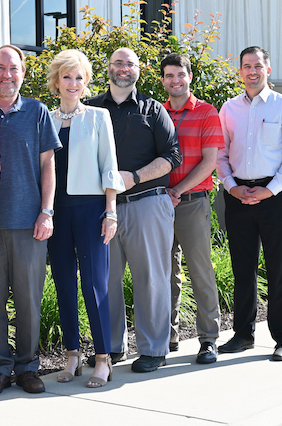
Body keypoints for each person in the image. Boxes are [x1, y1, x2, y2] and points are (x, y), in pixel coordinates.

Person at [86, 47, 182, 372]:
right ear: (108, 68)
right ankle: (111, 347)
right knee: (106, 279)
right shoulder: (91, 109)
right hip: (102, 210)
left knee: (152, 278)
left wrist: (135, 177)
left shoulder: (153, 110)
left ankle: (154, 349)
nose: (124, 68)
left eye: (130, 63)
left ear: (138, 70)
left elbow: (172, 156)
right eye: (118, 63)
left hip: (147, 203)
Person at [0, 45, 61, 396]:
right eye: (0, 68)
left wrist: (47, 210)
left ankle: (27, 366)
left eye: (14, 68)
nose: (7, 74)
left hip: (30, 223)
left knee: (29, 300)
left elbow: (48, 166)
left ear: (23, 73)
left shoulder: (38, 112)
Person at [217, 46, 282, 361]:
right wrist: (232, 187)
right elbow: (221, 154)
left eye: (257, 66)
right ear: (239, 71)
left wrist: (269, 191)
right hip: (238, 196)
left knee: (279, 266)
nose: (252, 71)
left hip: (276, 196)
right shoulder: (228, 109)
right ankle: (243, 335)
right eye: (246, 66)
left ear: (267, 70)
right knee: (242, 268)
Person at [46, 50, 125, 387]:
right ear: (56, 81)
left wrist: (111, 212)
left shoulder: (98, 117)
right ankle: (72, 355)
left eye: (79, 77)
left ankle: (103, 358)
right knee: (64, 284)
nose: (74, 84)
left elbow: (109, 165)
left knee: (94, 285)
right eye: (67, 77)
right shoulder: (45, 118)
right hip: (55, 213)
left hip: (92, 210)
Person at [160, 53, 223, 364]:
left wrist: (177, 190)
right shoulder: (156, 113)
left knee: (200, 271)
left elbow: (210, 163)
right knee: (165, 273)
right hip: (159, 205)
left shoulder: (207, 113)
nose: (175, 80)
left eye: (180, 74)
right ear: (162, 80)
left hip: (191, 203)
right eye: (169, 75)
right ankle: (167, 336)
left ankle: (209, 338)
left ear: (190, 76)